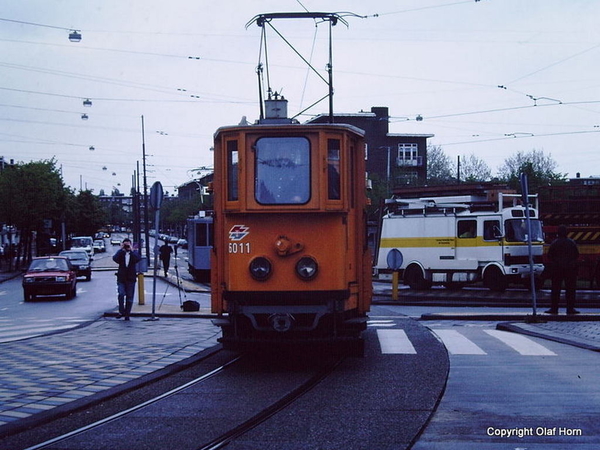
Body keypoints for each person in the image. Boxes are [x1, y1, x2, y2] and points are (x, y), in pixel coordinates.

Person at [545, 225, 580, 315]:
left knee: (556, 289)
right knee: (570, 290)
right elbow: (576, 255)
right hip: (570, 269)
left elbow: (549, 255)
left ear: (558, 233)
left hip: (557, 269)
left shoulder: (554, 243)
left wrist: (556, 262)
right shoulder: (571, 243)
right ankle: (570, 308)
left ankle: (554, 308)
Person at [112, 238, 141, 321]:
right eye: (125, 245)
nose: (126, 246)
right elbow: (115, 258)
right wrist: (121, 250)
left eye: (128, 245)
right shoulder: (121, 253)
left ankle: (127, 314)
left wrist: (131, 250)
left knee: (129, 297)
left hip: (131, 278)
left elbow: (138, 259)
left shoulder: (133, 253)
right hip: (121, 278)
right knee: (121, 294)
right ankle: (121, 311)